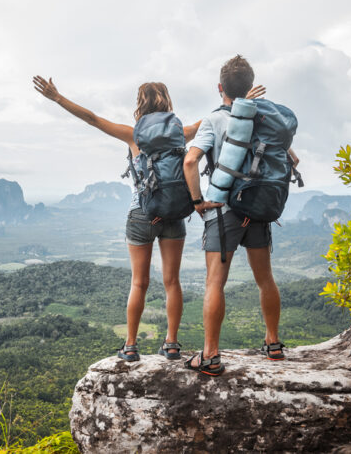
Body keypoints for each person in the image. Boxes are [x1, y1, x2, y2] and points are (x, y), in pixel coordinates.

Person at [33, 76, 265, 362]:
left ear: (140, 105)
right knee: (172, 282)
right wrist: (244, 102)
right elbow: (218, 119)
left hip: (142, 214)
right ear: (167, 102)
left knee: (139, 283)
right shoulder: (183, 133)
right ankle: (171, 344)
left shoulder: (134, 135)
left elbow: (92, 119)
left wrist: (58, 98)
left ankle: (130, 346)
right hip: (174, 214)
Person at [182, 55, 298, 376]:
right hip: (259, 209)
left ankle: (210, 356)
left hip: (225, 213)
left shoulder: (214, 120)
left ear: (220, 87)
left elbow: (190, 162)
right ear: (251, 87)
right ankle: (273, 344)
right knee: (265, 279)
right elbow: (294, 161)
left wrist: (197, 202)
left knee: (214, 283)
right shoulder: (264, 119)